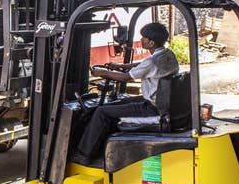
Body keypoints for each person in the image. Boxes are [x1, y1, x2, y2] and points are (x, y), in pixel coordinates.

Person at [75, 22, 179, 165]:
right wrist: (120, 66)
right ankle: (102, 144)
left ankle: (83, 155)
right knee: (120, 103)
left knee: (101, 111)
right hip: (160, 102)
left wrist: (102, 72)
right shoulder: (167, 55)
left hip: (152, 108)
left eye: (144, 38)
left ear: (151, 42)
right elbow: (142, 65)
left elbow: (126, 77)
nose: (141, 40)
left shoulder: (152, 62)